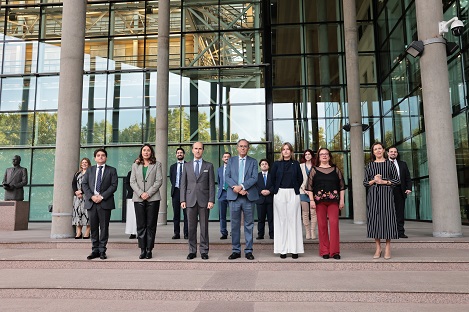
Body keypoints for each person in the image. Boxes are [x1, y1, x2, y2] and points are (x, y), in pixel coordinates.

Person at [306, 148, 345, 260]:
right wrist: (312, 200)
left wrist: (342, 200)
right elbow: (309, 187)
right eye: (321, 154)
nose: (324, 156)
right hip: (319, 202)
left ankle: (335, 251)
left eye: (326, 154)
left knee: (334, 224)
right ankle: (325, 251)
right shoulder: (314, 170)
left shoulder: (336, 169)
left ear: (329, 156)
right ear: (318, 157)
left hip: (333, 201)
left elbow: (342, 186)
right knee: (322, 225)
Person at [363, 142, 400, 260]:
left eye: (380, 148)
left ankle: (388, 247)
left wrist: (384, 182)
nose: (378, 151)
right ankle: (378, 247)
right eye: (375, 149)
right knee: (375, 219)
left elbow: (397, 180)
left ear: (384, 150)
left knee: (388, 219)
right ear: (373, 152)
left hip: (386, 194)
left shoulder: (390, 164)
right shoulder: (369, 166)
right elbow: (365, 183)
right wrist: (374, 180)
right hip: (373, 195)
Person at [180, 142, 215, 260]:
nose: (198, 150)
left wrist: (211, 200)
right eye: (196, 148)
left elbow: (211, 185)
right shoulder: (186, 165)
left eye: (200, 148)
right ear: (192, 150)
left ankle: (204, 251)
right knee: (191, 227)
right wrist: (182, 199)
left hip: (204, 201)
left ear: (203, 150)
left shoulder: (209, 166)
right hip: (189, 200)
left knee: (204, 227)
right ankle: (192, 251)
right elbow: (183, 184)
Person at [225, 139, 259, 260]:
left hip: (248, 196)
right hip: (234, 197)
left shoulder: (253, 161)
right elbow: (227, 177)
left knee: (249, 225)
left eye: (245, 146)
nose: (243, 148)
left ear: (248, 148)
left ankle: (249, 251)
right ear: (237, 148)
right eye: (241, 146)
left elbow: (255, 177)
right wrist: (238, 189)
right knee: (234, 225)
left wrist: (243, 186)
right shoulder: (231, 161)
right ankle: (236, 250)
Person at [82, 148, 118, 260]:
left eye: (103, 155)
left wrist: (101, 197)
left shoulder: (112, 170)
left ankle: (102, 250)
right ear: (95, 158)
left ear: (106, 157)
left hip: (105, 202)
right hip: (91, 203)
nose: (101, 157)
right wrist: (92, 196)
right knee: (93, 227)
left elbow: (113, 186)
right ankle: (95, 250)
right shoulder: (90, 170)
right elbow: (84, 184)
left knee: (104, 227)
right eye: (98, 155)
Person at [130, 144, 163, 260]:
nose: (146, 152)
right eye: (144, 150)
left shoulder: (157, 164)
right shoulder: (135, 165)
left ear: (151, 152)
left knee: (151, 225)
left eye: (148, 150)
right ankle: (142, 249)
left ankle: (149, 249)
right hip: (138, 198)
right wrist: (141, 193)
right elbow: (132, 181)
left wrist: (148, 193)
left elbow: (159, 181)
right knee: (141, 225)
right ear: (141, 152)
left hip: (153, 199)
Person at [271, 142, 304, 259]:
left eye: (288, 149)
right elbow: (272, 178)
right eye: (284, 149)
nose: (285, 151)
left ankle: (294, 249)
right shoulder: (276, 164)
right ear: (281, 151)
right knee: (281, 221)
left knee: (293, 220)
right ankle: (282, 250)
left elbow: (300, 178)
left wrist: (294, 187)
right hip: (280, 193)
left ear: (291, 151)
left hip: (293, 193)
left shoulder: (296, 164)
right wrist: (275, 190)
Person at [388, 147, 412, 238]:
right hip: (388, 190)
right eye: (391, 152)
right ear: (388, 153)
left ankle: (400, 232)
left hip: (400, 190)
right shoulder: (384, 163)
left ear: (397, 154)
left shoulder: (403, 164)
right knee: (389, 212)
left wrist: (409, 188)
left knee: (400, 212)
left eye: (395, 152)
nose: (393, 153)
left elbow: (408, 178)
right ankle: (389, 232)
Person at [169, 147, 188, 239]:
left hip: (187, 193)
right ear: (176, 155)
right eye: (178, 153)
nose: (179, 154)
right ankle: (176, 233)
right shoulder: (172, 167)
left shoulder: (189, 165)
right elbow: (171, 179)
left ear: (184, 154)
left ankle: (186, 233)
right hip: (176, 192)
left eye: (181, 153)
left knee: (186, 214)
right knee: (176, 214)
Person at [72, 157, 91, 239]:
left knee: (87, 214)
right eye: (82, 162)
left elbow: (90, 184)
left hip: (87, 196)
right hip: (77, 197)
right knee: (77, 213)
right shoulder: (77, 173)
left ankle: (87, 232)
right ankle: (79, 232)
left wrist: (82, 192)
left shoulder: (91, 173)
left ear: (89, 164)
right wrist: (76, 192)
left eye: (86, 162)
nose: (84, 163)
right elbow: (73, 183)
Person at [299, 149, 317, 240]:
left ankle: (313, 231)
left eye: (309, 154)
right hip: (303, 192)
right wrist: (304, 189)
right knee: (305, 213)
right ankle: (307, 232)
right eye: (305, 154)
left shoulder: (316, 166)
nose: (307, 156)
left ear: (312, 155)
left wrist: (311, 190)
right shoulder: (300, 166)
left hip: (314, 192)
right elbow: (298, 179)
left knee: (313, 213)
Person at [256, 158, 274, 240]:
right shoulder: (257, 176)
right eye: (262, 164)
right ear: (260, 166)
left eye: (266, 164)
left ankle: (272, 234)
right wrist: (261, 191)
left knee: (271, 218)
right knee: (260, 219)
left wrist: (269, 191)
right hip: (260, 200)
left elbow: (275, 185)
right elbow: (255, 187)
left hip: (270, 199)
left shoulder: (272, 175)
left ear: (268, 166)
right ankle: (260, 234)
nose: (264, 165)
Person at [217, 152, 231, 239]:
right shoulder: (219, 169)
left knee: (234, 215)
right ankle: (223, 233)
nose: (226, 158)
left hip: (231, 193)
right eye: (225, 157)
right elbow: (219, 181)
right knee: (222, 215)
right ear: (222, 159)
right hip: (222, 193)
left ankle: (234, 232)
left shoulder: (234, 169)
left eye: (228, 157)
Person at [124, 170, 137, 239]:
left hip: (143, 196)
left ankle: (140, 232)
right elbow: (127, 184)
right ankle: (132, 232)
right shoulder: (130, 172)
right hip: (131, 196)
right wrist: (134, 191)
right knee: (131, 215)